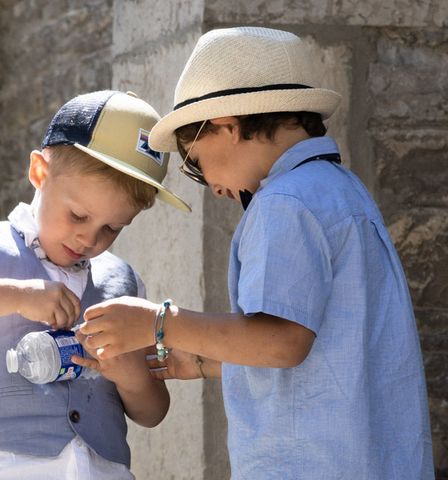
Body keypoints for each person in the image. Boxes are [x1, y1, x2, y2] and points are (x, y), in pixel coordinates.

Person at [76, 28, 435, 479]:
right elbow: (327, 349)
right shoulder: (342, 192)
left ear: (226, 125)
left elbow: (282, 341)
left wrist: (157, 321)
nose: (209, 183)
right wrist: (205, 360)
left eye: (194, 160)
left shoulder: (283, 203)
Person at [0, 90, 191, 480]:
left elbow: (153, 412)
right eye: (78, 215)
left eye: (112, 228)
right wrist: (15, 295)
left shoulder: (125, 282)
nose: (90, 239)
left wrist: (129, 374)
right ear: (39, 173)